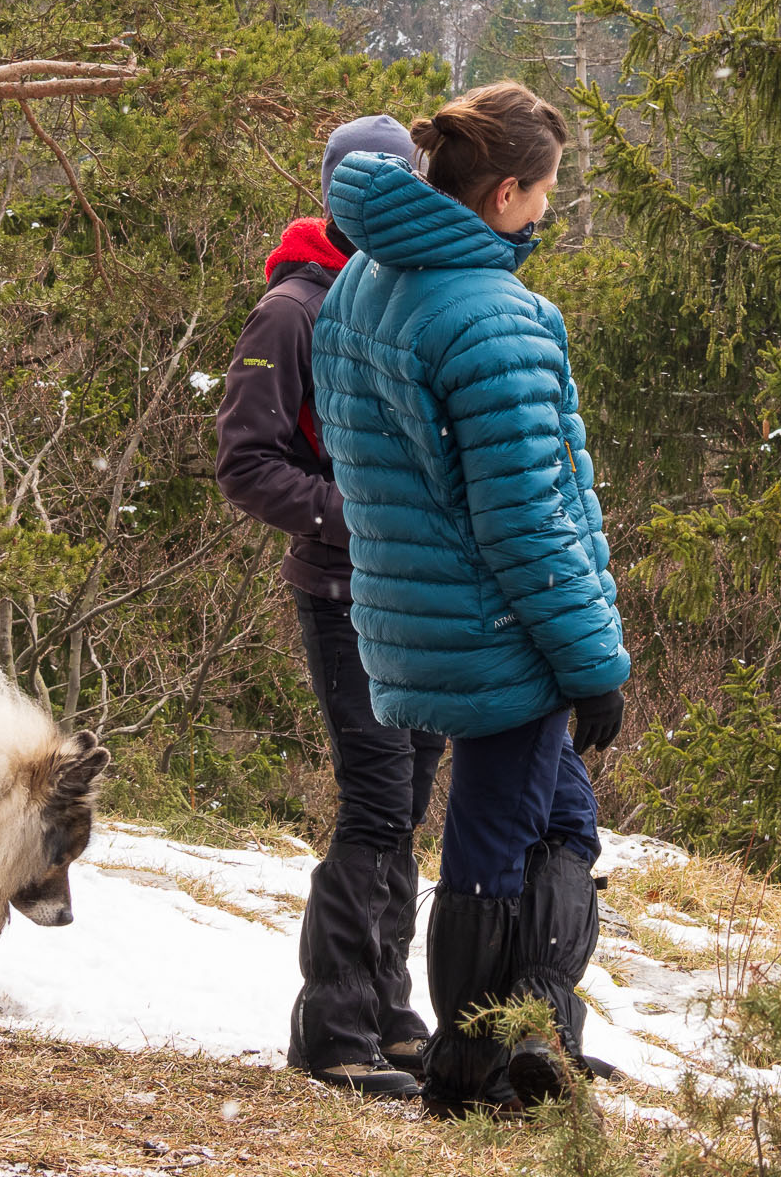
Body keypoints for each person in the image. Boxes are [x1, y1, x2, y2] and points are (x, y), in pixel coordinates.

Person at [310, 81, 629, 1117]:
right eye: (543, 194)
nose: (547, 215)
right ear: (501, 194)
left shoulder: (359, 283)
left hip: (409, 620)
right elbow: (531, 520)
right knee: (493, 850)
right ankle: (469, 1069)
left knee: (565, 827)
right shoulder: (499, 316)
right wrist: (594, 663)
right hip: (501, 633)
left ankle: (536, 1033)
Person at [215, 114, 445, 1099]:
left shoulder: (412, 302)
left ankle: (391, 1016)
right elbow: (245, 462)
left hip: (426, 600)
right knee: (377, 803)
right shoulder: (291, 312)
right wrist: (352, 515)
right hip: (345, 591)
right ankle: (333, 1027)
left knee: (408, 809)